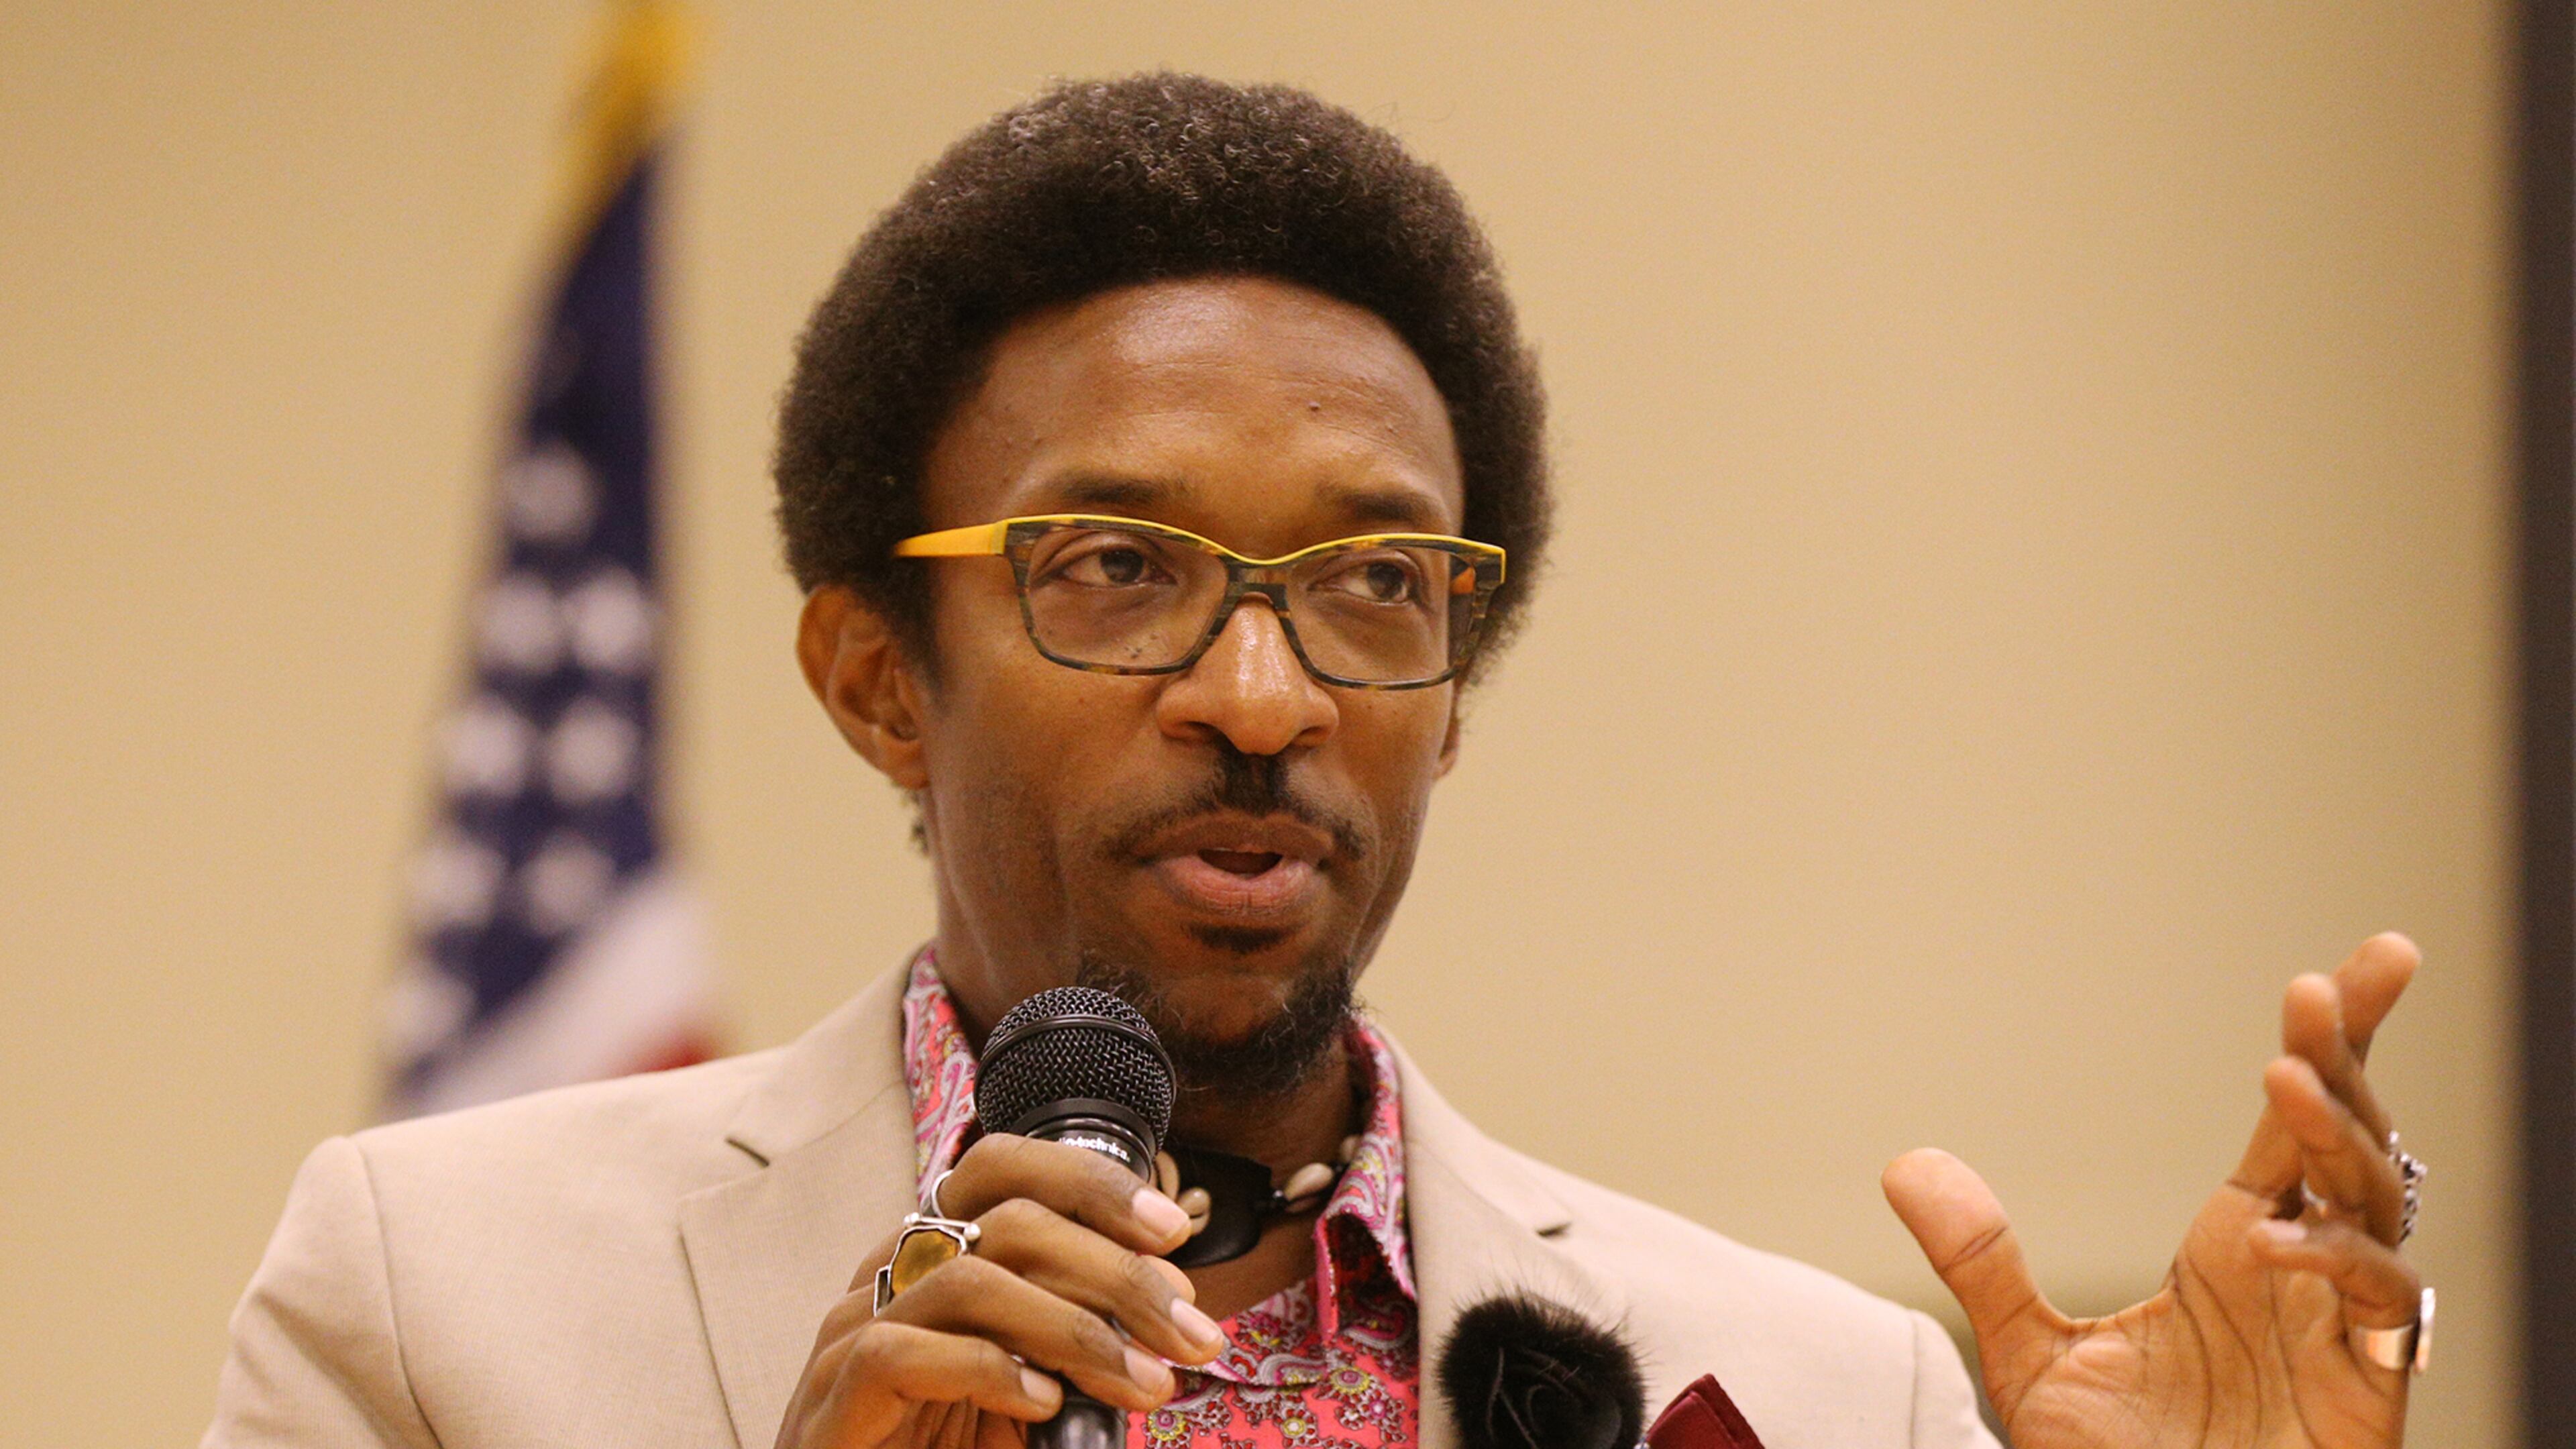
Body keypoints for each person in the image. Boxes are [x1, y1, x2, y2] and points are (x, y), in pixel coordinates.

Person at [204, 73, 2430, 1449]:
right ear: (878, 677)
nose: (1263, 696)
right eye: (1117, 568)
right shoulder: (435, 1291)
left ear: (1454, 688)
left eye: (1375, 583)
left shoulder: (1834, 1398)